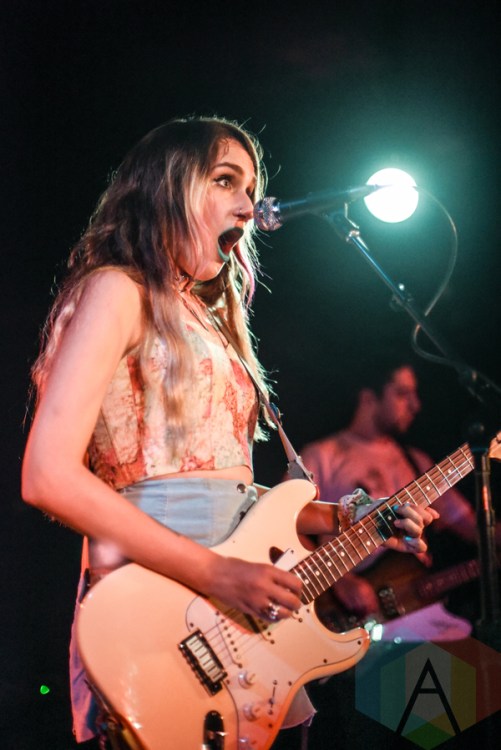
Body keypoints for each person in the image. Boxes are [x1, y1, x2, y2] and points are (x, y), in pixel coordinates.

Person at [21, 117, 435, 749]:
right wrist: (216, 573)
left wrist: (346, 517)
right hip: (160, 611)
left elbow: (225, 494)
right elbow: (47, 476)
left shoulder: (208, 320)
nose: (248, 204)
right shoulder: (118, 290)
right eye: (224, 180)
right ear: (165, 187)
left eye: (252, 187)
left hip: (237, 631)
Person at [300, 354, 501, 640]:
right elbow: (283, 525)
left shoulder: (416, 462)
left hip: (411, 616)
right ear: (369, 397)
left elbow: (473, 526)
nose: (415, 405)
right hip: (333, 612)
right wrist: (341, 582)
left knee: (469, 656)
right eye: (403, 393)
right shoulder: (321, 456)